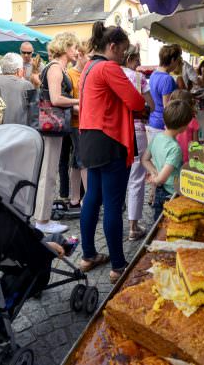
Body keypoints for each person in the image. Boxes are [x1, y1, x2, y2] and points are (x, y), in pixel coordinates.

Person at [78, 22, 144, 283]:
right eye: (123, 51)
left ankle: (88, 255)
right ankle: (118, 265)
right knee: (113, 203)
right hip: (110, 138)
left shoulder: (88, 67)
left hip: (90, 138)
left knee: (92, 198)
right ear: (112, 47)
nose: (124, 57)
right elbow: (137, 102)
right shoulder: (108, 67)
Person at [34, 32, 80, 234]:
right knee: (48, 173)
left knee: (50, 172)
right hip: (51, 126)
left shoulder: (58, 67)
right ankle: (42, 220)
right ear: (66, 47)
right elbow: (55, 99)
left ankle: (42, 218)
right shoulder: (54, 68)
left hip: (54, 126)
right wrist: (79, 101)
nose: (77, 52)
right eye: (75, 48)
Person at [121, 43, 154, 241]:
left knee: (117, 178)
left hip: (116, 131)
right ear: (131, 59)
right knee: (136, 177)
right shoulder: (139, 78)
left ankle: (115, 222)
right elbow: (152, 104)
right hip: (136, 129)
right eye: (137, 60)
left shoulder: (112, 73)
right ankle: (133, 226)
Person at [141, 99, 194, 222]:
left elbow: (145, 160)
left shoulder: (157, 137)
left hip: (161, 192)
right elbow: (161, 179)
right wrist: (155, 178)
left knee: (158, 222)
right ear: (184, 126)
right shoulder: (175, 148)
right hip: (171, 194)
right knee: (169, 224)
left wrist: (154, 171)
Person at [58, 42, 89, 210]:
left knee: (77, 162)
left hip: (84, 121)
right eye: (89, 56)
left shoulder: (87, 73)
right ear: (80, 55)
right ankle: (88, 199)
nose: (91, 60)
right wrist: (87, 110)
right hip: (77, 122)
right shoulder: (70, 74)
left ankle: (76, 198)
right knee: (83, 160)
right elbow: (67, 102)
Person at [147, 44, 182, 141]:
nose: (177, 64)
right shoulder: (167, 79)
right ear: (172, 60)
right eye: (177, 60)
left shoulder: (153, 74)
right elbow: (167, 107)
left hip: (153, 122)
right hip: (162, 126)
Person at [169, 89, 200, 163]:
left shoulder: (170, 119)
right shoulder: (193, 121)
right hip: (187, 158)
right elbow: (195, 143)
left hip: (173, 155)